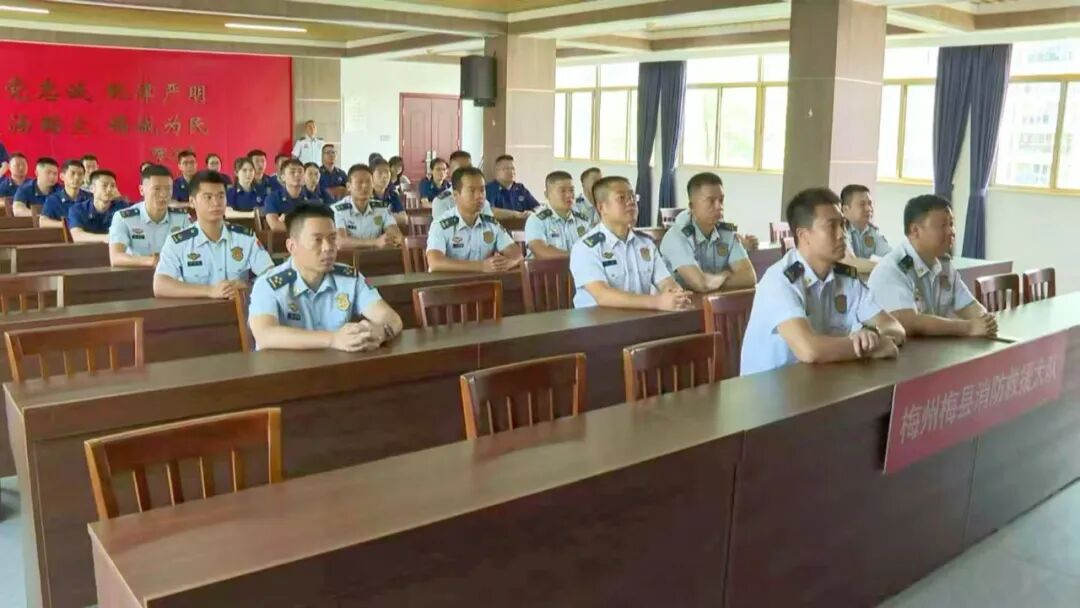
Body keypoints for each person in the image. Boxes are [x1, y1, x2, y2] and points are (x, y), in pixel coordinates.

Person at [739, 187, 905, 376]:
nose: (842, 234)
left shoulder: (845, 278)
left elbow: (894, 327)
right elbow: (809, 350)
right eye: (831, 226)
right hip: (770, 388)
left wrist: (873, 335)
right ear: (803, 236)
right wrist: (868, 348)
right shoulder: (780, 281)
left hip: (820, 380)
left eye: (843, 224)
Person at [248, 204, 402, 352]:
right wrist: (333, 339)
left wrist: (381, 332)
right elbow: (265, 334)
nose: (328, 247)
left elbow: (392, 318)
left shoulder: (350, 278)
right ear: (292, 247)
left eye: (332, 238)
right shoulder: (268, 284)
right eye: (317, 240)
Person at [867, 194, 997, 339]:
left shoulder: (944, 265)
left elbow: (968, 305)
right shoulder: (893, 269)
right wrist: (968, 327)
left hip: (933, 349)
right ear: (915, 230)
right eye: (943, 225)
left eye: (951, 224)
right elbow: (908, 321)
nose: (951, 232)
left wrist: (985, 321)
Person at [569, 176, 690, 310]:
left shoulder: (645, 243)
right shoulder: (585, 248)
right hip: (598, 321)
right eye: (621, 198)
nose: (631, 202)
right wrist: (657, 302)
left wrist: (675, 294)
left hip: (639, 318)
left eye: (633, 197)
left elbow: (666, 281)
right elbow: (602, 295)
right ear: (602, 207)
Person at [154, 170, 274, 299]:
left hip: (240, 307)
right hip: (197, 310)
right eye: (208, 197)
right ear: (192, 201)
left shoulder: (245, 238)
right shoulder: (178, 242)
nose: (216, 203)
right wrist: (209, 291)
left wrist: (247, 285)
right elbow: (160, 285)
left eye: (221, 196)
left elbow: (270, 274)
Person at [659, 173, 757, 293]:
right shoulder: (676, 237)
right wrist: (726, 274)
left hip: (715, 301)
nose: (719, 206)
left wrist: (714, 281)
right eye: (711, 201)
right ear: (692, 206)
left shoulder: (727, 234)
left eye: (721, 200)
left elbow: (749, 277)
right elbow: (700, 284)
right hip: (683, 303)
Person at [426, 167, 522, 273]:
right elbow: (435, 262)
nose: (479, 196)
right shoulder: (440, 225)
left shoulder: (491, 224)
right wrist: (481, 266)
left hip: (485, 282)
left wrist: (506, 264)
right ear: (456, 195)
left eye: (482, 190)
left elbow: (516, 253)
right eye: (472, 191)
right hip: (451, 283)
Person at [109, 164, 192, 267]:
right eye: (157, 189)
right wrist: (153, 261)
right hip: (136, 274)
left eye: (168, 189)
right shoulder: (124, 218)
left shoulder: (181, 218)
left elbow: (192, 252)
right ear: (141, 190)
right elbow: (116, 257)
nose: (163, 194)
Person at [332, 163, 403, 249]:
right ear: (348, 186)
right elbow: (341, 242)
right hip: (349, 256)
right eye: (359, 182)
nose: (365, 186)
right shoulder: (338, 210)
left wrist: (393, 239)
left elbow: (396, 235)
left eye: (368, 182)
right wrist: (375, 242)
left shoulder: (381, 208)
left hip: (376, 255)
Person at [524, 171, 592, 259]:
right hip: (548, 268)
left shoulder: (583, 220)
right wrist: (577, 256)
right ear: (547, 195)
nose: (569, 195)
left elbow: (595, 250)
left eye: (571, 190)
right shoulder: (536, 220)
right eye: (562, 191)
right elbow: (541, 251)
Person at [840, 184, 889, 274]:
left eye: (870, 203)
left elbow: (892, 257)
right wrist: (886, 266)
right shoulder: (839, 231)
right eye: (862, 204)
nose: (868, 208)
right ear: (846, 210)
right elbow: (850, 263)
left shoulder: (872, 232)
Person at [67, 170, 127, 243]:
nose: (109, 189)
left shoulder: (122, 208)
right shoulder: (77, 209)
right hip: (87, 249)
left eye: (112, 186)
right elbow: (76, 236)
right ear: (92, 189)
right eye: (104, 185)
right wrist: (107, 238)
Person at [432, 151, 495, 218]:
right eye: (460, 171)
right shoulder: (442, 202)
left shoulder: (480, 200)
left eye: (469, 169)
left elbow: (489, 222)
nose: (466, 174)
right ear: (450, 172)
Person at [264, 158, 320, 232]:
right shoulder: (272, 198)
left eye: (300, 172)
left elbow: (317, 224)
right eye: (292, 172)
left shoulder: (312, 197)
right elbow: (275, 225)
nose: (297, 174)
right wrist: (303, 229)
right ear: (283, 177)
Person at [40, 159, 91, 228]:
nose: (76, 177)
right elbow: (43, 222)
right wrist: (69, 225)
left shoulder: (90, 198)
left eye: (80, 174)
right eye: (72, 173)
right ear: (62, 176)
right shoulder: (53, 199)